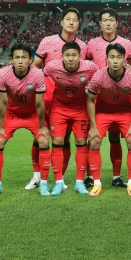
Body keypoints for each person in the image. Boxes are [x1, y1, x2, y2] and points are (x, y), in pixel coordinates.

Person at [28, 8, 86, 190]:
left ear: (78, 24)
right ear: (61, 22)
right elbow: (35, 66)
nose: (71, 22)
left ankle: (60, 179)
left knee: (65, 137)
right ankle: (36, 176)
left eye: (74, 20)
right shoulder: (47, 41)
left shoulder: (83, 47)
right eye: (67, 19)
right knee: (41, 136)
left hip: (69, 98)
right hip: (47, 96)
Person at [0, 43, 51, 197]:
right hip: (12, 114)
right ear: (11, 60)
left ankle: (43, 184)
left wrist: (42, 126)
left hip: (32, 114)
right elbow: (3, 102)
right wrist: (0, 126)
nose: (20, 61)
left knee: (43, 141)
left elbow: (39, 103)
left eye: (24, 57)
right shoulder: (3, 74)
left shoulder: (37, 74)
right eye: (17, 57)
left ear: (30, 59)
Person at [85, 8, 131, 188]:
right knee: (92, 138)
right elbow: (83, 63)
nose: (108, 23)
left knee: (116, 139)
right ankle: (91, 177)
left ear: (116, 23)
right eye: (104, 20)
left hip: (121, 98)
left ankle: (117, 177)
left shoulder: (126, 43)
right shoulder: (91, 44)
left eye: (111, 20)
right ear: (100, 24)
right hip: (100, 98)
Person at [42, 42, 98, 195]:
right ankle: (59, 182)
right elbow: (41, 77)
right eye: (67, 55)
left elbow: (102, 76)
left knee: (81, 143)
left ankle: (79, 182)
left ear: (80, 56)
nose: (71, 58)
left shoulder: (90, 67)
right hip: (59, 109)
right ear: (62, 57)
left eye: (74, 55)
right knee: (58, 142)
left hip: (80, 109)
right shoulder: (52, 67)